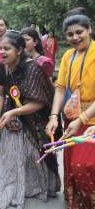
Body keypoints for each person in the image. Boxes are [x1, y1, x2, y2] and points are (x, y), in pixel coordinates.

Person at [0, 31, 60, 209]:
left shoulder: (32, 67)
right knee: (10, 155)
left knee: (33, 156)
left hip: (36, 119)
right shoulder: (1, 66)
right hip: (12, 115)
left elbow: (39, 102)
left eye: (7, 49)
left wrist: (14, 112)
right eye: (0, 48)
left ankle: (32, 187)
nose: (2, 52)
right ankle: (3, 191)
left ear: (19, 50)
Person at [45, 14, 95, 209]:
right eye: (70, 34)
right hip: (72, 120)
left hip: (90, 121)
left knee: (84, 165)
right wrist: (54, 116)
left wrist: (82, 119)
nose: (75, 37)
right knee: (72, 166)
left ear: (89, 29)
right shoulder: (68, 56)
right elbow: (60, 88)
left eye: (79, 32)